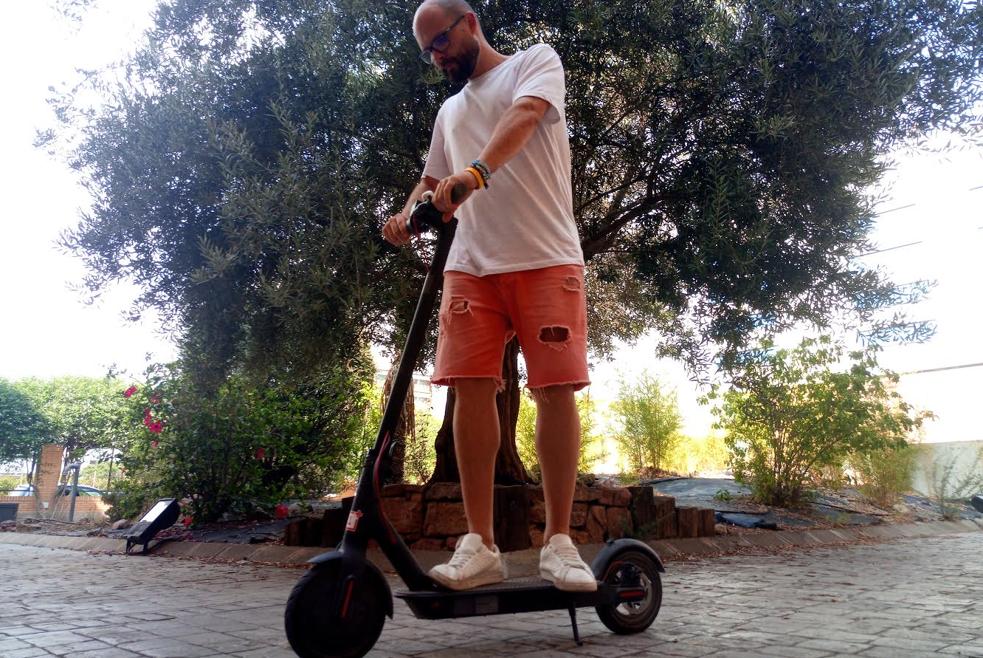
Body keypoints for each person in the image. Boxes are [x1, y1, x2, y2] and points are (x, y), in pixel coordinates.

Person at [382, 0, 596, 593]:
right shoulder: (449, 110)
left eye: (442, 40)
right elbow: (430, 180)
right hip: (470, 266)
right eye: (427, 51)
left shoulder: (533, 62)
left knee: (555, 389)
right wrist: (405, 216)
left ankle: (558, 543)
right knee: (469, 392)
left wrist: (474, 175)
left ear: (469, 22)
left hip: (545, 255)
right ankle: (479, 545)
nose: (437, 55)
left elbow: (525, 118)